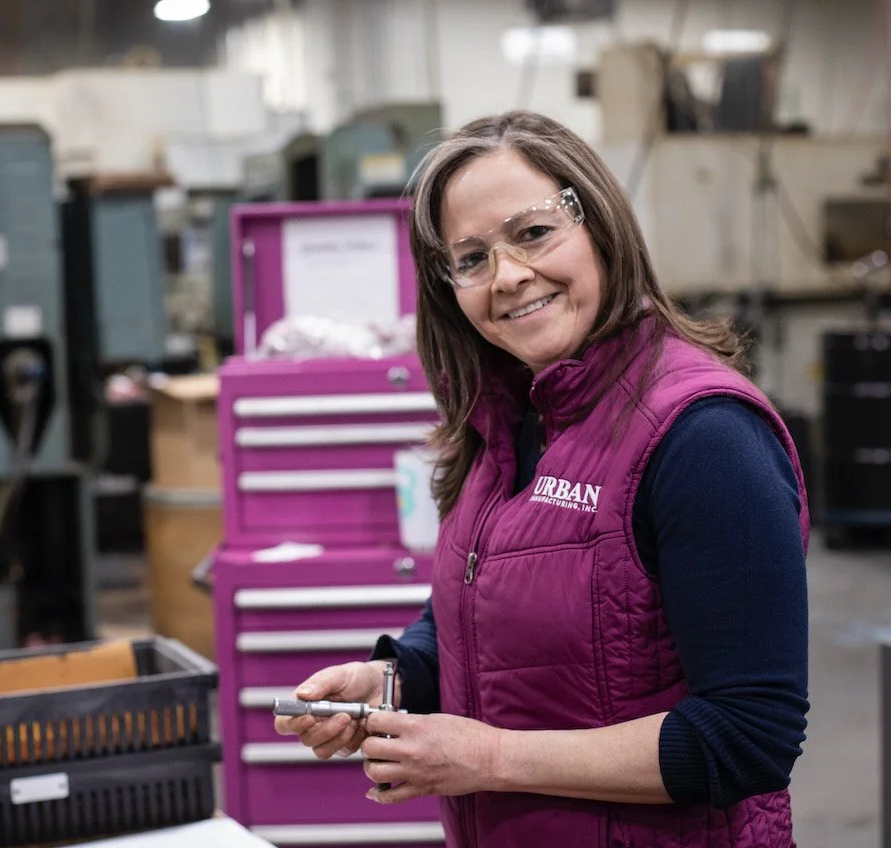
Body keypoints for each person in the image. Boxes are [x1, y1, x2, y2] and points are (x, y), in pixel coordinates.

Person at [274, 111, 810, 848]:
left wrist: (489, 758)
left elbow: (749, 736)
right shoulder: (506, 418)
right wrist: (397, 679)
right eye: (471, 259)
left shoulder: (704, 437)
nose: (510, 278)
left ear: (598, 222)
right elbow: (502, 619)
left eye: (532, 233)